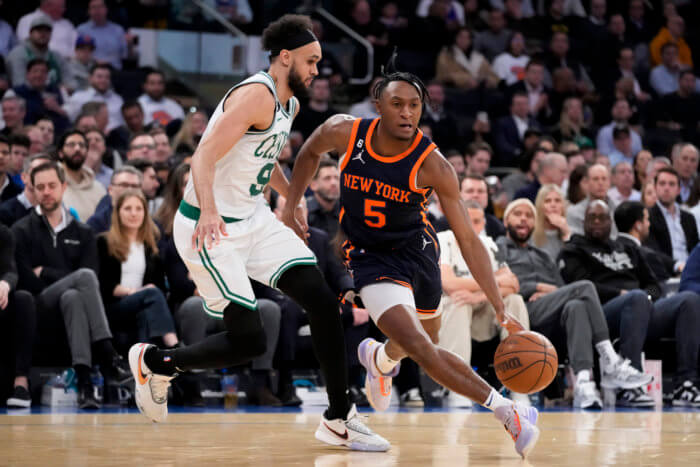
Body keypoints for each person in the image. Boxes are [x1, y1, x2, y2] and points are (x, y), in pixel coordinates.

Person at [126, 15, 387, 451]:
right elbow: (203, 156)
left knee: (322, 302)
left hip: (252, 217)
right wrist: (210, 210)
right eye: (311, 61)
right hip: (209, 224)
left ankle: (339, 417)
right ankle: (155, 362)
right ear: (285, 57)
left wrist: (289, 198)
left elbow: (263, 162)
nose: (316, 71)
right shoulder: (254, 95)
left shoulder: (291, 105)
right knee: (250, 339)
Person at [282, 62, 541, 457]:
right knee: (420, 345)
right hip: (369, 257)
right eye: (397, 104)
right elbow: (309, 152)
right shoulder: (345, 131)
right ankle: (506, 411)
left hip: (418, 252)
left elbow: (469, 241)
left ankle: (381, 359)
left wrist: (498, 304)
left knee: (427, 337)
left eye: (414, 106)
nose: (406, 113)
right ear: (378, 106)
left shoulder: (433, 164)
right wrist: (292, 201)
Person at [498, 198, 651, 409]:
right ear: (506, 221)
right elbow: (505, 283)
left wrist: (552, 293)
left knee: (576, 306)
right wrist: (539, 287)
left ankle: (584, 383)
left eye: (529, 215)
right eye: (518, 214)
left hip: (551, 311)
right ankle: (610, 359)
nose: (523, 219)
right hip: (521, 310)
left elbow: (562, 287)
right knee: (585, 286)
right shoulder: (499, 247)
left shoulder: (542, 255)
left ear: (535, 223)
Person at [12, 161, 130, 409]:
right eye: (40, 187)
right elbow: (27, 281)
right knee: (81, 278)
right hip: (39, 307)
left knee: (75, 296)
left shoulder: (83, 232)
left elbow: (92, 279)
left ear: (64, 186)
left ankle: (85, 386)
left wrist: (45, 271)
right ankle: (108, 356)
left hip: (74, 310)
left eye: (52, 185)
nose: (46, 192)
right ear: (32, 189)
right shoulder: (20, 231)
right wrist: (66, 276)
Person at [561, 201, 700, 406]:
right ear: (584, 222)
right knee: (635, 298)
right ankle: (628, 386)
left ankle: (685, 384)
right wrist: (622, 294)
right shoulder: (574, 249)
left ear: (611, 222)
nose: (597, 222)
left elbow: (655, 286)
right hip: (602, 314)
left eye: (603, 217)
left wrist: (647, 298)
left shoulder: (626, 248)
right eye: (592, 218)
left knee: (689, 300)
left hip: (642, 308)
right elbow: (580, 286)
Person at [437, 200, 531, 407]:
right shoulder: (443, 239)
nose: (472, 227)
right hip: (450, 318)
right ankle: (456, 386)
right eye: (467, 221)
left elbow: (513, 284)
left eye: (477, 222)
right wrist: (493, 281)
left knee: (514, 301)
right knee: (458, 299)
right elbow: (450, 284)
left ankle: (519, 383)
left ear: (484, 224)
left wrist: (480, 296)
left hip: (482, 314)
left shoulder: (488, 243)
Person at [96, 190, 179, 347]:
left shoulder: (151, 246)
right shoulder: (103, 242)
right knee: (151, 294)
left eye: (139, 209)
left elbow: (159, 285)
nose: (134, 213)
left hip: (143, 304)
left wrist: (144, 293)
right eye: (127, 208)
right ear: (118, 212)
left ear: (145, 213)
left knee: (146, 311)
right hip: (114, 306)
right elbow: (103, 285)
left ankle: (144, 364)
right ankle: (173, 345)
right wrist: (133, 292)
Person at [0, 223, 37, 408]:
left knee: (23, 299)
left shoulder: (4, 233)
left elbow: (10, 270)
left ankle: (21, 383)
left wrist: (5, 284)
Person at [646, 167, 698, 271]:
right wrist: (677, 265)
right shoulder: (648, 216)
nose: (666, 188)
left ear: (679, 190)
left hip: (691, 272)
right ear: (655, 188)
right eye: (662, 183)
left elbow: (696, 249)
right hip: (665, 273)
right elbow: (652, 252)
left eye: (671, 184)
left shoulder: (688, 218)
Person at [615, 201, 675, 282]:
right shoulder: (647, 255)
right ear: (638, 225)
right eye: (647, 219)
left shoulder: (609, 251)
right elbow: (665, 287)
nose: (649, 224)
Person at [56, 130, 106, 221]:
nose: (77, 149)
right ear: (60, 153)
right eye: (71, 145)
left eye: (82, 145)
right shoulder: (51, 184)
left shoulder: (98, 188)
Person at [0, 153, 52, 227]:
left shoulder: (58, 212)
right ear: (24, 177)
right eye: (37, 171)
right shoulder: (5, 212)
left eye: (48, 172)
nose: (43, 176)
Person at [531, 184, 570, 261]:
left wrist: (566, 232)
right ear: (540, 206)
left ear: (563, 206)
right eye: (547, 201)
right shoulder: (531, 235)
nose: (553, 205)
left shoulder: (572, 233)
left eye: (557, 200)